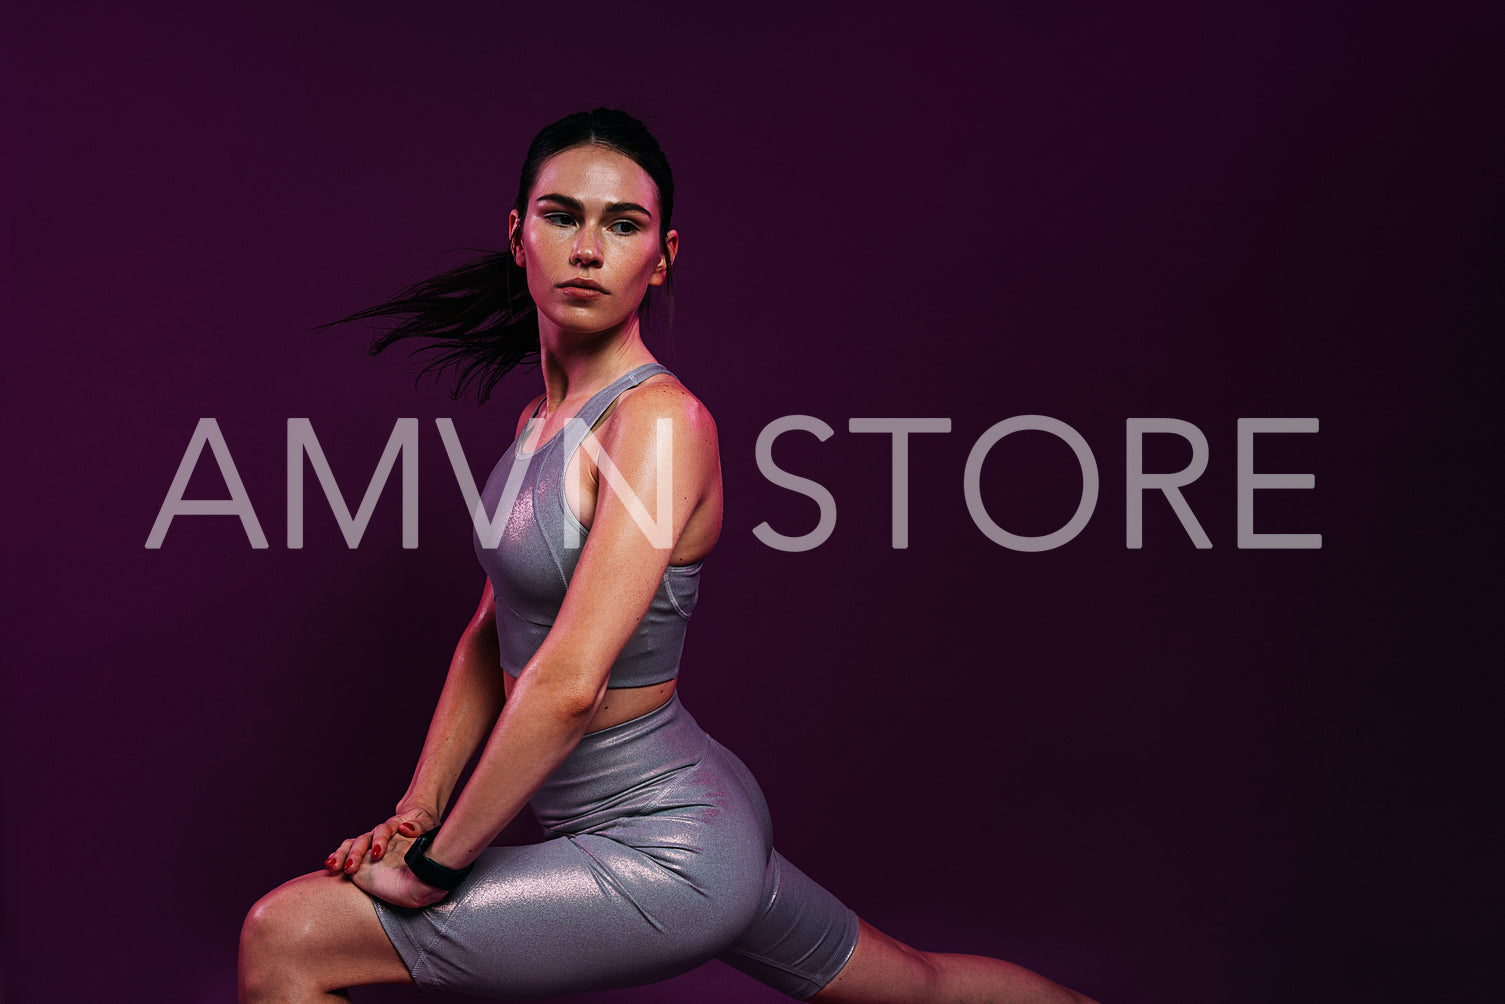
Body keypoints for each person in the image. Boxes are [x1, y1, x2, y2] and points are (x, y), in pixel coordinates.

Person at [238, 108, 1099, 1004]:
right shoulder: (542, 424)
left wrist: (434, 868)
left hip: (669, 851)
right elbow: (492, 636)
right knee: (917, 990)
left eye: (622, 225)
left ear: (662, 255)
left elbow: (569, 684)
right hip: (687, 809)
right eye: (561, 215)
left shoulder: (656, 426)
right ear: (517, 235)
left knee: (288, 940)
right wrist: (417, 809)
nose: (585, 248)